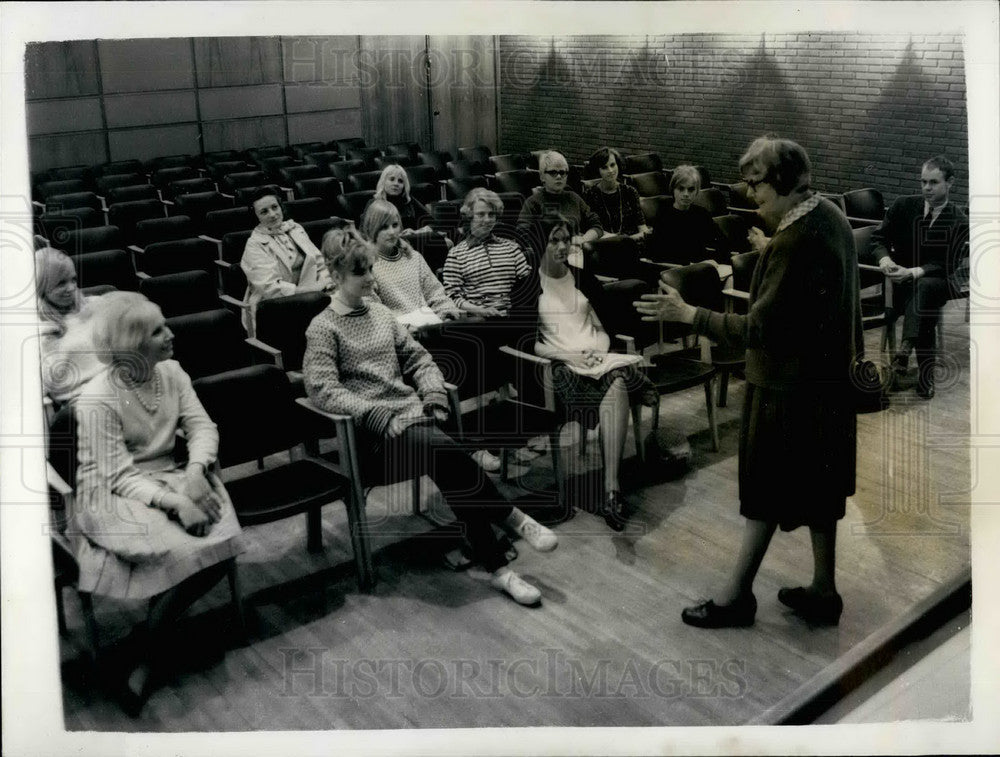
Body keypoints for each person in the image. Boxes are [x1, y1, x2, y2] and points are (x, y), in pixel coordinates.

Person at [636, 136, 859, 628]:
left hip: (787, 389)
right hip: (827, 387)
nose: (749, 196)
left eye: (756, 185)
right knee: (822, 490)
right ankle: (824, 590)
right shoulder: (832, 217)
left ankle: (737, 598)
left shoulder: (795, 242)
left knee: (765, 489)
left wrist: (689, 314)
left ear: (782, 183)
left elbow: (758, 328)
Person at [302, 231, 557, 606]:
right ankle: (511, 517)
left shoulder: (381, 314)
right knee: (447, 453)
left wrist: (434, 393)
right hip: (370, 438)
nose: (372, 277)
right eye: (361, 272)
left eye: (372, 268)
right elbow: (322, 389)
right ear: (336, 275)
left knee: (447, 462)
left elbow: (419, 359)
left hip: (415, 426)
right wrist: (372, 413)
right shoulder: (323, 327)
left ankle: (501, 571)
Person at [72, 292, 244, 712]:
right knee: (181, 545)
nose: (171, 334)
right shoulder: (95, 399)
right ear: (132, 345)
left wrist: (195, 472)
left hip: (172, 475)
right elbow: (119, 476)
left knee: (221, 542)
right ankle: (151, 654)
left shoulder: (172, 372)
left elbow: (203, 427)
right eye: (158, 331)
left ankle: (142, 642)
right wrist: (176, 503)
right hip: (113, 492)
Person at [527, 213, 658, 531]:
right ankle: (613, 493)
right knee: (621, 383)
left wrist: (598, 350)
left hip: (595, 359)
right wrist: (569, 354)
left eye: (565, 239)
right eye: (553, 240)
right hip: (560, 367)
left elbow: (603, 329)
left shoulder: (583, 278)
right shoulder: (529, 285)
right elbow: (533, 345)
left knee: (616, 381)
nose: (561, 247)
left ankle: (611, 493)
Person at [871, 155, 969, 399]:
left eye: (933, 182)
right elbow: (878, 238)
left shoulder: (959, 221)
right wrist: (885, 260)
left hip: (939, 280)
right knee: (925, 304)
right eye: (923, 181)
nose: (926, 188)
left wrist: (912, 272)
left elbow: (947, 264)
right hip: (900, 282)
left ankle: (905, 351)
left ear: (950, 183)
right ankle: (924, 375)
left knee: (925, 286)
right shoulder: (904, 205)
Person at [240, 187, 334, 333]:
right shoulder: (254, 245)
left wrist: (327, 283)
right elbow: (270, 289)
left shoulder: (295, 228)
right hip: (274, 306)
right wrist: (311, 291)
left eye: (274, 207)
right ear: (256, 217)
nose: (273, 214)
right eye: (264, 212)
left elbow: (319, 263)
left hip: (312, 297)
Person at [360, 198, 461, 327]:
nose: (392, 232)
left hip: (430, 327)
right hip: (397, 333)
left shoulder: (414, 257)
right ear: (371, 229)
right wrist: (404, 330)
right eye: (384, 227)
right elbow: (373, 311)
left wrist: (446, 315)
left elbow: (435, 293)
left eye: (395, 225)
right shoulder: (365, 266)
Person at [441, 187, 533, 318]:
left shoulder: (511, 248)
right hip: (479, 321)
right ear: (470, 216)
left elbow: (527, 284)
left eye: (491, 214)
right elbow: (453, 297)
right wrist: (481, 311)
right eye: (481, 214)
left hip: (513, 317)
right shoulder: (456, 254)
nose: (487, 220)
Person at [35, 246, 108, 404]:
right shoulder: (38, 330)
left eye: (73, 279)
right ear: (41, 287)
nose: (71, 288)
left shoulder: (96, 305)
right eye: (61, 283)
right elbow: (42, 386)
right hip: (83, 401)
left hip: (118, 385)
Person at [516, 150, 603, 265]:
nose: (559, 176)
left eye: (563, 172)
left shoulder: (574, 198)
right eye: (553, 172)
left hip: (579, 255)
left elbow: (596, 224)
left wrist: (583, 240)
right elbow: (522, 234)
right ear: (542, 176)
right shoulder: (533, 202)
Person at [645, 164, 724, 266]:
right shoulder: (664, 216)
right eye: (681, 189)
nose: (686, 194)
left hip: (702, 267)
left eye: (691, 189)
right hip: (677, 271)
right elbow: (659, 255)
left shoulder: (702, 214)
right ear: (673, 190)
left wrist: (716, 260)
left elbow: (720, 241)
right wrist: (693, 264)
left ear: (696, 192)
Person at [581, 147, 647, 238]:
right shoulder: (589, 195)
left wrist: (625, 239)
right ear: (597, 170)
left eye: (612, 165)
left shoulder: (630, 192)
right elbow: (589, 228)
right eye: (604, 167)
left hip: (631, 243)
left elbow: (642, 227)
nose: (610, 171)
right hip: (604, 244)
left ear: (618, 165)